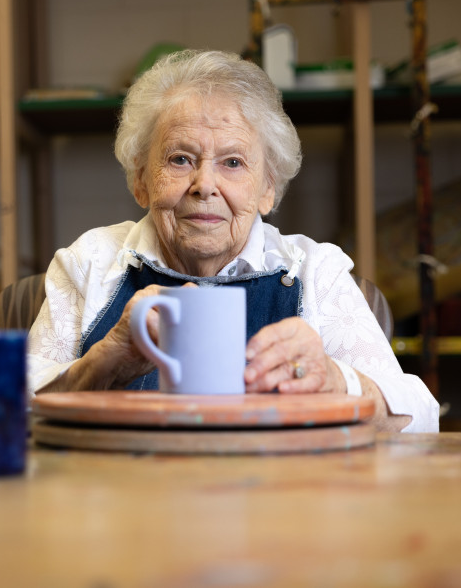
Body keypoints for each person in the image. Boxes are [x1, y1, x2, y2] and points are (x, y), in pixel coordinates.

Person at [26, 49, 439, 433]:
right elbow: (4, 405)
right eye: (180, 158)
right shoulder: (91, 263)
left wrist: (335, 380)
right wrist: (100, 365)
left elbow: (422, 416)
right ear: (140, 180)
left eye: (233, 162)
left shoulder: (315, 272)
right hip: (124, 501)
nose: (205, 185)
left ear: (267, 189)